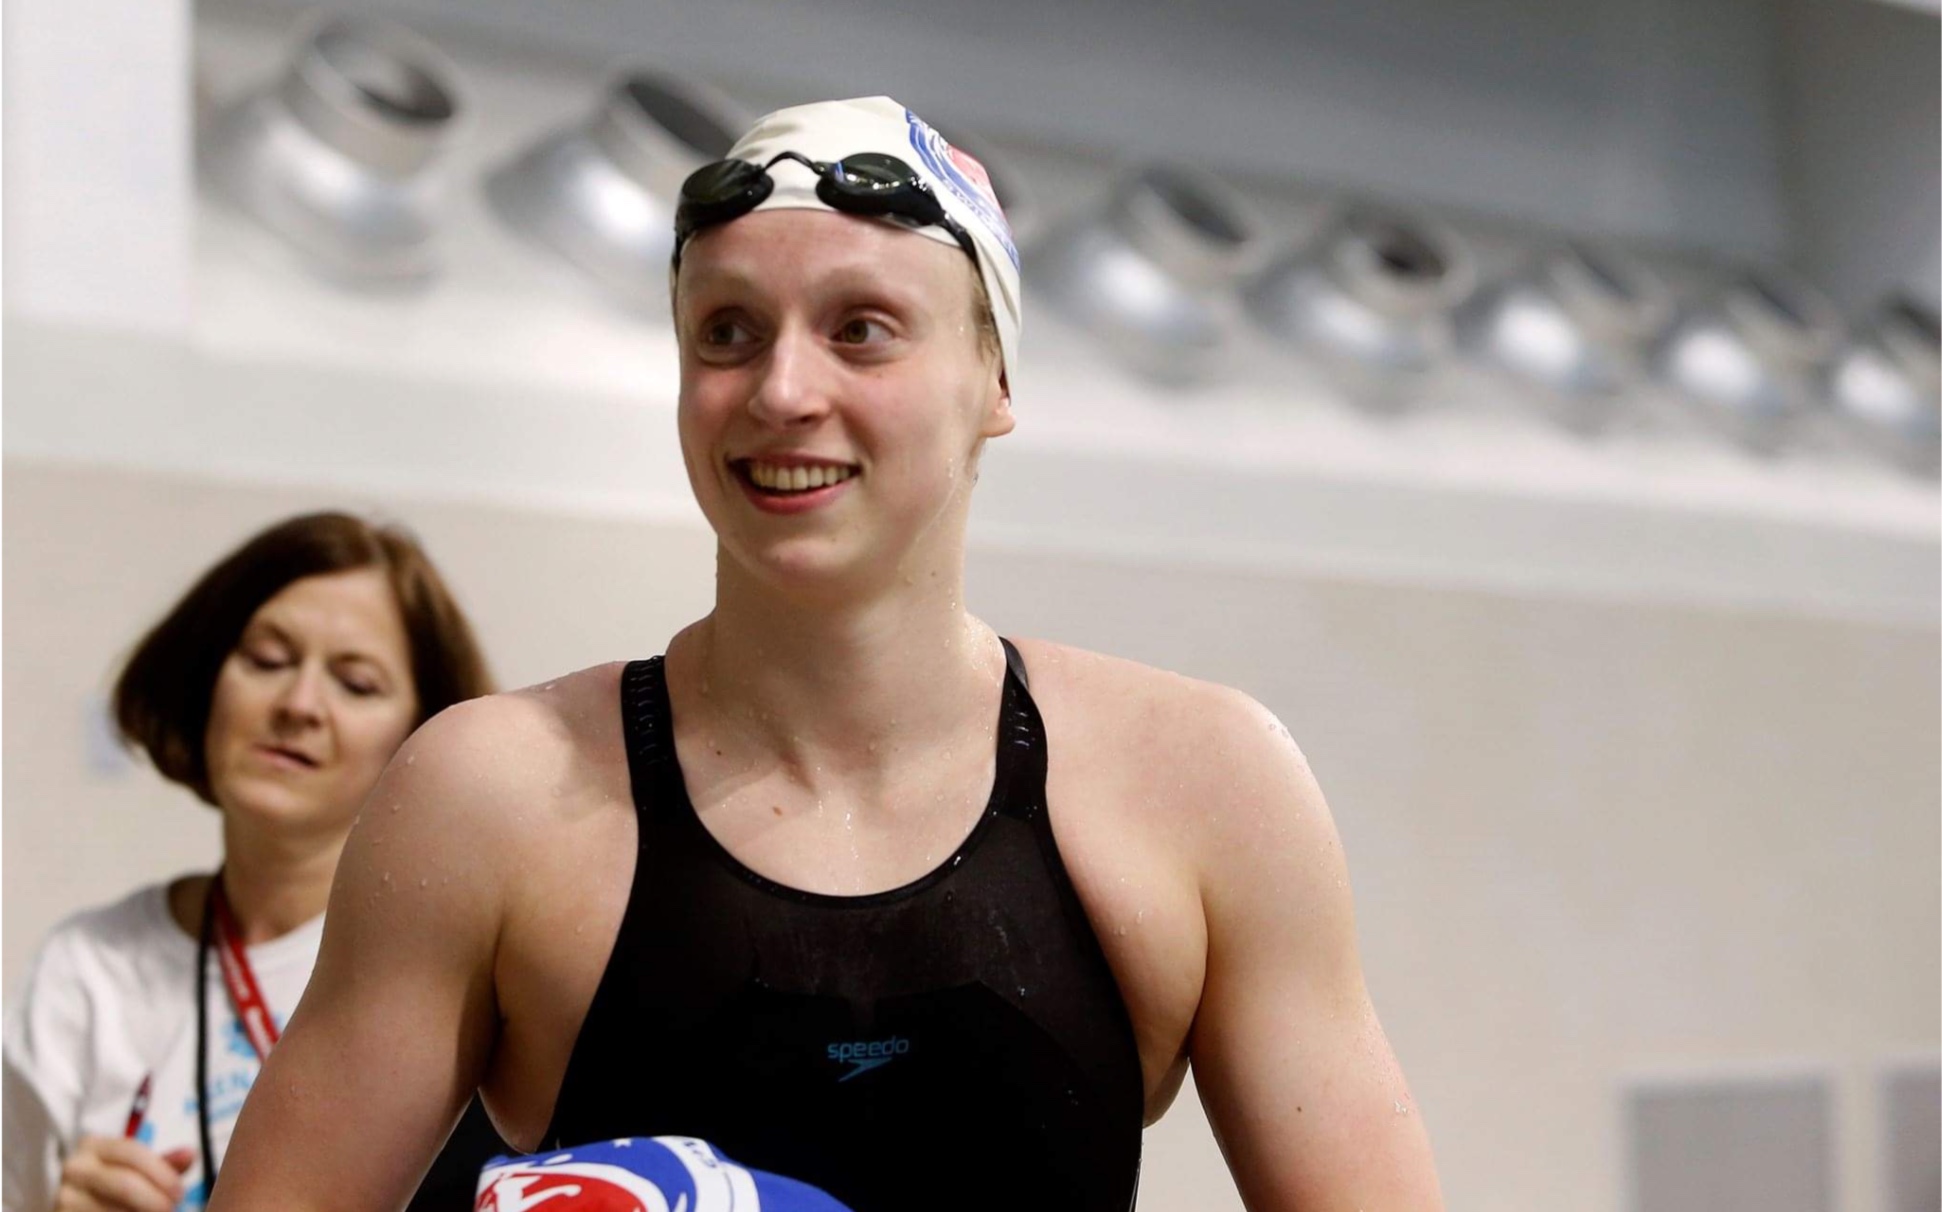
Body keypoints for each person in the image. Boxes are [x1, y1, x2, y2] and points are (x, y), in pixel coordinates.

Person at [211, 99, 1447, 1210]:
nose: (781, 391)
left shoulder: (1202, 786)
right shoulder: (485, 800)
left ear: (994, 376)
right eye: (728, 333)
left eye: (862, 330)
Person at [3, 512, 508, 1212]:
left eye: (355, 684)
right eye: (267, 661)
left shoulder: (464, 986)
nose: (299, 704)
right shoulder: (88, 971)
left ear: (422, 739)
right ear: (206, 681)